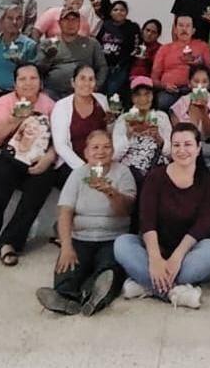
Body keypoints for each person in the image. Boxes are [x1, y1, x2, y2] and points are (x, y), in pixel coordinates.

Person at [114, 124, 210, 309]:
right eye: (176, 145)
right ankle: (176, 293)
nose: (181, 150)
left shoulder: (208, 181)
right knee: (122, 244)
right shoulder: (155, 177)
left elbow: (203, 225)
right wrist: (155, 259)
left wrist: (177, 257)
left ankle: (148, 286)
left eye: (188, 144)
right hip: (156, 248)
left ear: (198, 148)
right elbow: (147, 220)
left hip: (188, 253)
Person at [36, 130, 136, 316]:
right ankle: (65, 298)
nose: (101, 152)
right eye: (95, 148)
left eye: (106, 147)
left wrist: (110, 192)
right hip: (81, 237)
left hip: (112, 238)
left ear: (113, 151)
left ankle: (93, 295)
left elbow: (126, 210)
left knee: (109, 271)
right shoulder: (78, 174)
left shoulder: (122, 173)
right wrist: (66, 247)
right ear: (86, 153)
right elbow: (65, 212)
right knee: (68, 266)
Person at [0, 62, 57, 266]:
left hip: (34, 159)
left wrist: (48, 159)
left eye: (33, 78)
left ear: (41, 83)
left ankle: (10, 241)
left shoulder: (49, 105)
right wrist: (15, 118)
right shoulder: (5, 102)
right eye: (22, 79)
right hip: (2, 157)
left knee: (44, 179)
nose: (28, 83)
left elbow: (58, 140)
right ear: (14, 84)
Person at [50, 64, 112, 180]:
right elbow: (60, 145)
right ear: (73, 82)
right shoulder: (61, 106)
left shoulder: (102, 100)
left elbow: (108, 132)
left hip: (99, 159)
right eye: (82, 78)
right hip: (72, 163)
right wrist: (84, 168)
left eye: (91, 79)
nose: (87, 83)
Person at [113, 77, 173, 186]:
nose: (143, 99)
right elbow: (115, 155)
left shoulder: (161, 117)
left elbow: (171, 153)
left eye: (147, 94)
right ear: (132, 98)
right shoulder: (123, 119)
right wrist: (128, 135)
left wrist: (159, 138)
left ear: (153, 96)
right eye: (138, 95)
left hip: (157, 168)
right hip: (131, 171)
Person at [36, 9, 108, 99]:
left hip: (84, 92)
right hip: (53, 92)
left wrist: (96, 85)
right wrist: (48, 58)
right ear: (59, 23)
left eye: (74, 19)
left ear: (79, 23)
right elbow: (38, 70)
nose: (71, 23)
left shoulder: (92, 43)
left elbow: (102, 67)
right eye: (67, 19)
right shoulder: (48, 43)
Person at [151, 15, 210, 110]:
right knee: (161, 103)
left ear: (193, 30)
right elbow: (154, 78)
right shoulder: (164, 49)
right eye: (181, 25)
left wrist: (198, 64)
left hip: (195, 89)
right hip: (170, 91)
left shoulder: (202, 46)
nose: (184, 29)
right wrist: (165, 86)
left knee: (200, 105)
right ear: (175, 30)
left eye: (188, 26)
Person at [168, 65, 210, 169]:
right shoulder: (179, 105)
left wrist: (203, 112)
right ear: (189, 84)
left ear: (209, 85)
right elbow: (180, 136)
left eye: (204, 82)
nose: (200, 86)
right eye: (196, 81)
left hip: (209, 156)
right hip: (185, 155)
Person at [96, 0, 140, 102]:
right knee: (99, 93)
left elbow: (136, 47)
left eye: (122, 10)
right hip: (103, 65)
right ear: (111, 12)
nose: (119, 12)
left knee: (112, 94)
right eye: (115, 10)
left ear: (126, 12)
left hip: (120, 67)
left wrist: (125, 62)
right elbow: (97, 43)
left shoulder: (132, 27)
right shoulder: (106, 25)